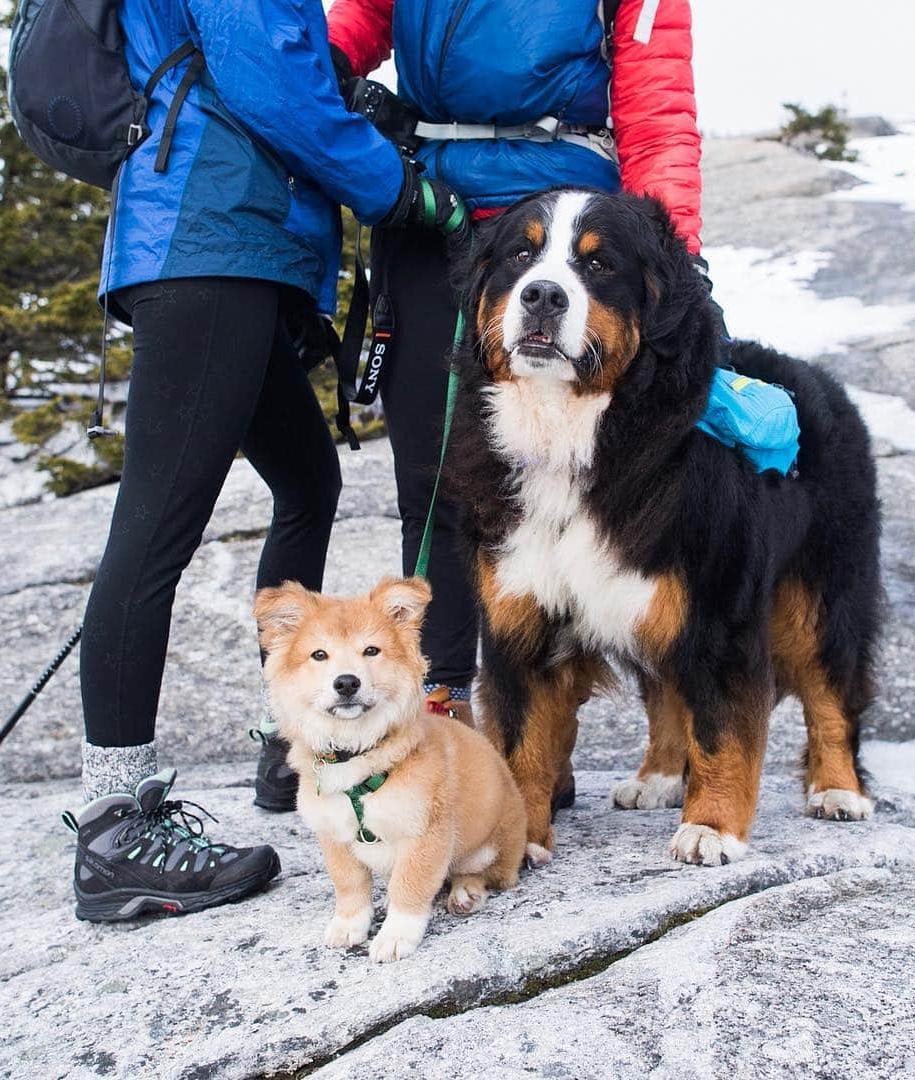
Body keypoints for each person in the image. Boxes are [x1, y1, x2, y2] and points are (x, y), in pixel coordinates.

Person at [250, 0, 710, 813]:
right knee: (433, 483)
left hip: (565, 212)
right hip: (432, 215)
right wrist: (315, 81)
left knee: (573, 492)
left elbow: (658, 98)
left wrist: (677, 257)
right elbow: (347, 30)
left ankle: (537, 730)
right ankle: (434, 704)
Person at [66, 0, 463, 922]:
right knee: (155, 530)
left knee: (308, 478)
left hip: (237, 244)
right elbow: (272, 86)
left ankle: (292, 728)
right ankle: (115, 828)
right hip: (211, 246)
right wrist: (401, 188)